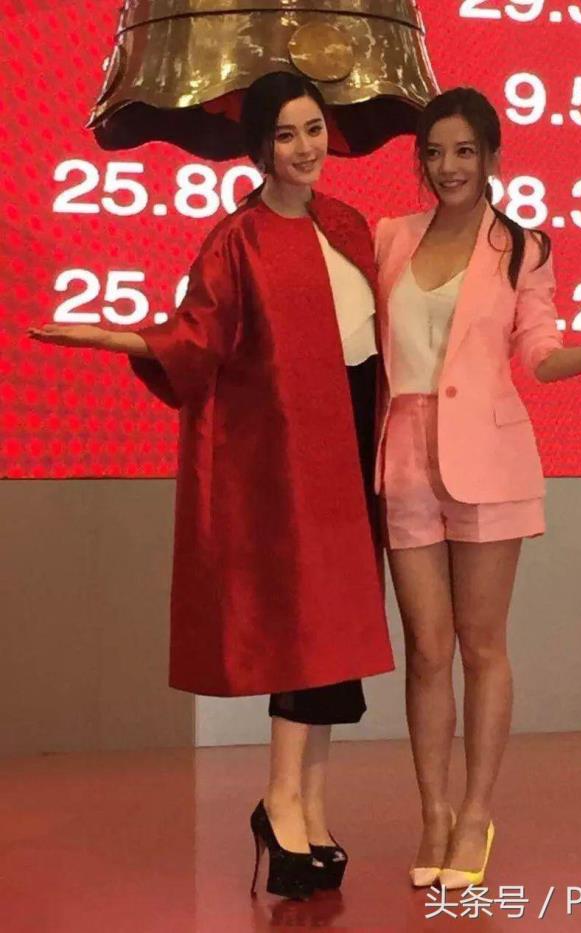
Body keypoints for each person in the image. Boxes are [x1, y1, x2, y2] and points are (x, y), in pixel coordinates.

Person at [29, 71, 394, 901]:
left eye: (312, 130)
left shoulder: (348, 225)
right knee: (306, 632)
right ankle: (279, 802)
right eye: (286, 134)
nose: (304, 148)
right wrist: (114, 337)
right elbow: (197, 338)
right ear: (259, 145)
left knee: (342, 640)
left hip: (355, 448)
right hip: (291, 468)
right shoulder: (240, 239)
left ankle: (311, 807)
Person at [373, 86, 581, 890]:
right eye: (434, 152)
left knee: (481, 645)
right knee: (425, 648)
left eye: (464, 151)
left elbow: (542, 358)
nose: (448, 166)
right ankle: (433, 812)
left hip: (490, 459)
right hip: (405, 460)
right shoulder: (389, 237)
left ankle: (475, 812)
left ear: (491, 157)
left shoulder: (522, 247)